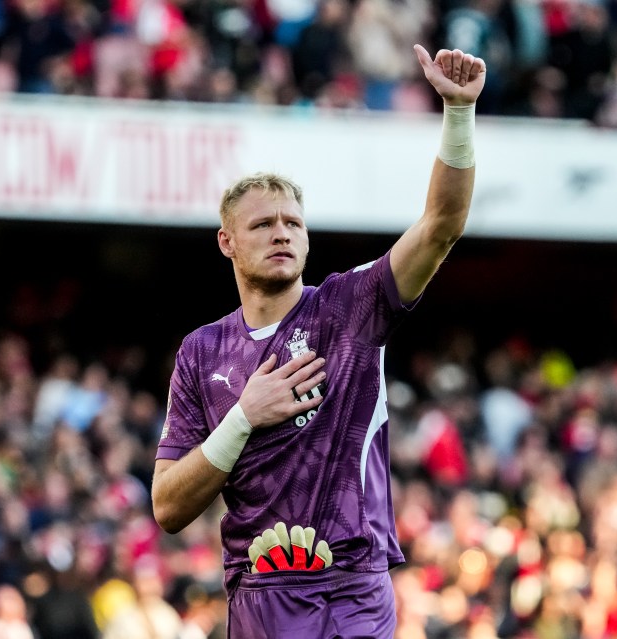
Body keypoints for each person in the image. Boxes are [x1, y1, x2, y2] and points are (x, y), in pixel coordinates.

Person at [151, 43, 486, 638]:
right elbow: (169, 508)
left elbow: (441, 226)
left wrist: (458, 113)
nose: (282, 234)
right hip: (260, 591)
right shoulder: (201, 352)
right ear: (227, 242)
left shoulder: (351, 307)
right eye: (262, 224)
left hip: (353, 587)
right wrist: (244, 418)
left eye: (293, 224)